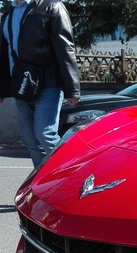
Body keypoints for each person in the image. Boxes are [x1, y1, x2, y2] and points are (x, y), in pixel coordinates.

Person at [0, 0, 81, 167]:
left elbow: (65, 47)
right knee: (30, 140)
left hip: (48, 84)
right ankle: (43, 183)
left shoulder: (52, 7)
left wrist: (72, 87)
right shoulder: (8, 14)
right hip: (22, 86)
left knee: (45, 134)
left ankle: (68, 172)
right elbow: (3, 53)